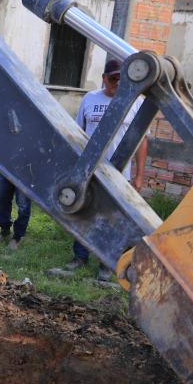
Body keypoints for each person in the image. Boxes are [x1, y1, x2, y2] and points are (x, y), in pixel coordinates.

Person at [66, 56, 148, 279]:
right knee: (83, 210)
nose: (118, 83)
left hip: (120, 172)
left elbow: (142, 141)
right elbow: (78, 133)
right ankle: (80, 257)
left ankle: (106, 262)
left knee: (113, 217)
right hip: (90, 169)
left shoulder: (137, 102)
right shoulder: (90, 99)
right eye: (113, 78)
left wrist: (140, 175)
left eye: (122, 78)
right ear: (104, 78)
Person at [0, 172, 31, 249]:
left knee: (23, 204)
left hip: (25, 169)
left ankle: (17, 237)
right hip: (5, 166)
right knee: (2, 199)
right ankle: (4, 231)